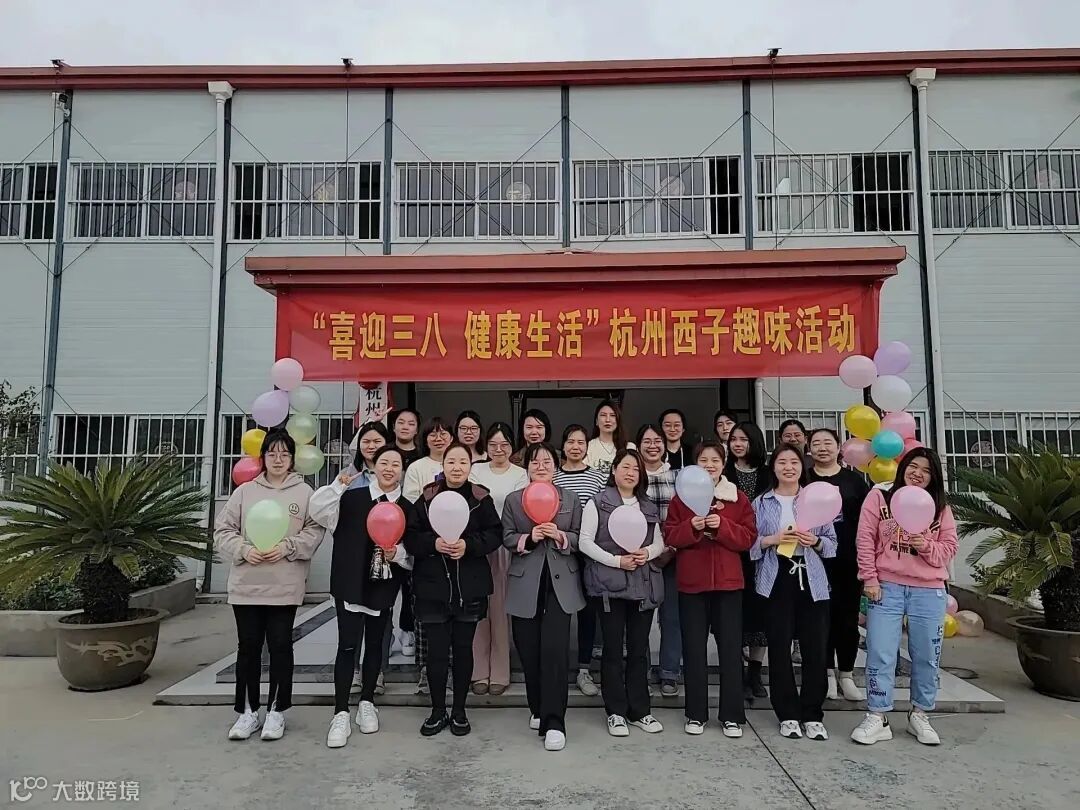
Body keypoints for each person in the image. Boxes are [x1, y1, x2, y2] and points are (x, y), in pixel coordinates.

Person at [214, 429, 322, 742]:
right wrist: (243, 549)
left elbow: (315, 531)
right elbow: (223, 530)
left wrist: (289, 546)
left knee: (280, 646)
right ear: (262, 457)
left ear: (292, 459)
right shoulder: (245, 492)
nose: (278, 459)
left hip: (284, 585)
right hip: (247, 584)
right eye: (272, 453)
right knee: (248, 648)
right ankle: (247, 711)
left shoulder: (305, 493)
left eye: (284, 454)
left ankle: (277, 711)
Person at [851, 448, 958, 747]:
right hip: (887, 587)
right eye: (913, 466)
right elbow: (865, 538)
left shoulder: (940, 507)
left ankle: (919, 714)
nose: (918, 474)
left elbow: (949, 548)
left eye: (926, 470)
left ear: (934, 476)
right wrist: (870, 578)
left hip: (929, 590)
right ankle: (877, 715)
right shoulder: (880, 497)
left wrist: (925, 545)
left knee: (926, 655)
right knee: (880, 652)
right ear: (902, 467)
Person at [310, 446, 413, 748]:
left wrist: (398, 554)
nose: (389, 468)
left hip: (383, 584)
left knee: (376, 645)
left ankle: (367, 701)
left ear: (403, 470)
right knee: (347, 645)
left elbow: (413, 552)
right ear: (373, 466)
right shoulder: (350, 498)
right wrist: (337, 485)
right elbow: (317, 511)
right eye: (384, 462)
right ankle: (341, 711)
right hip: (350, 582)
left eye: (396, 464)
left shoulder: (407, 507)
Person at [404, 442, 502, 737]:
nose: (457, 467)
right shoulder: (427, 498)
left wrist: (469, 546)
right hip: (433, 587)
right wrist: (433, 543)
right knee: (436, 653)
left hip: (469, 587)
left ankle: (459, 710)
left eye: (463, 462)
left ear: (471, 466)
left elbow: (494, 534)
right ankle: (437, 711)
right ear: (443, 466)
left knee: (463, 650)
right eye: (451, 462)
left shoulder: (480, 498)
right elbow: (411, 536)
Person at [664, 439, 756, 737]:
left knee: (730, 650)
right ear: (695, 465)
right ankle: (695, 714)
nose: (710, 465)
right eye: (703, 460)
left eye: (715, 460)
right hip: (692, 584)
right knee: (693, 650)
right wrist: (693, 527)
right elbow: (671, 536)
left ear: (724, 464)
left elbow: (748, 538)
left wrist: (722, 527)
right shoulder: (680, 500)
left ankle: (732, 715)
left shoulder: (737, 498)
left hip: (729, 584)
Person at [503, 442, 586, 752]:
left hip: (560, 581)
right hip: (526, 581)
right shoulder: (513, 500)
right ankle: (537, 706)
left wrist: (560, 536)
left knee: (554, 651)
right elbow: (507, 537)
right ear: (527, 467)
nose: (541, 466)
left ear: (556, 466)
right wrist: (529, 538)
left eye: (547, 461)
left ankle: (555, 722)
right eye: (535, 462)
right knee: (528, 649)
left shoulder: (570, 498)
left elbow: (580, 536)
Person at [751, 443, 837, 741]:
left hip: (811, 578)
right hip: (776, 577)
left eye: (794, 462)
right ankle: (787, 713)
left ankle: (812, 713)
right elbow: (750, 546)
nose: (788, 467)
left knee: (816, 648)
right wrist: (772, 539)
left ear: (803, 467)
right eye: (782, 462)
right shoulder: (761, 503)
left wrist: (815, 541)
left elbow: (832, 545)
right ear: (773, 467)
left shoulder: (816, 499)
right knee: (779, 648)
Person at [579, 449, 666, 737]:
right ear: (614, 470)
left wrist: (647, 553)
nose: (630, 473)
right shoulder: (598, 502)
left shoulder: (647, 506)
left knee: (639, 650)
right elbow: (585, 542)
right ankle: (615, 711)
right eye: (625, 467)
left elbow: (659, 542)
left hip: (643, 584)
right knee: (613, 650)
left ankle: (640, 710)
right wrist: (617, 561)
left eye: (636, 469)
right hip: (610, 586)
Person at [807, 427, 870, 702]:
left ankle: (846, 673)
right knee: (818, 619)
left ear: (839, 447)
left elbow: (867, 523)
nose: (822, 448)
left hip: (847, 560)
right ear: (809, 449)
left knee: (847, 619)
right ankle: (826, 674)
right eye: (816, 443)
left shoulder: (854, 482)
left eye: (827, 443)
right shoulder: (803, 478)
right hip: (812, 560)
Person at [468, 423, 528, 696]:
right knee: (478, 609)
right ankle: (478, 670)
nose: (498, 449)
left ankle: (501, 672)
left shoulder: (520, 474)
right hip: (478, 545)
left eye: (504, 444)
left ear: (512, 446)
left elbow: (519, 510)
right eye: (493, 444)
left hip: (505, 546)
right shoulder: (476, 470)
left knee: (501, 611)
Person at [553, 424, 607, 697]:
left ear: (587, 446)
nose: (575, 447)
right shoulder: (552, 477)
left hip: (588, 553)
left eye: (581, 442)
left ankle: (584, 669)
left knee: (588, 612)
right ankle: (556, 669)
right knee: (558, 612)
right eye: (571, 441)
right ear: (563, 445)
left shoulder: (598, 477)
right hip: (558, 553)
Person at [402, 416, 454, 693]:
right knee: (426, 614)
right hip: (428, 548)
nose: (438, 438)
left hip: (457, 550)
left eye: (444, 433)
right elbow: (413, 506)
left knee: (455, 614)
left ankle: (453, 670)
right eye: (433, 434)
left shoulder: (460, 463)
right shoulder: (417, 467)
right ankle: (425, 670)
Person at [724, 421, 771, 699]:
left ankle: (755, 671)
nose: (738, 444)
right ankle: (737, 670)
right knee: (734, 613)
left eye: (743, 439)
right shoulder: (724, 473)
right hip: (733, 551)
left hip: (764, 552)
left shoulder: (768, 474)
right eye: (734, 439)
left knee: (760, 613)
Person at [636, 423, 681, 697]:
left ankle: (669, 672)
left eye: (657, 441)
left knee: (671, 617)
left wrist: (670, 548)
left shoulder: (678, 477)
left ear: (665, 446)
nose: (652, 446)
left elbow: (686, 514)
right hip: (639, 557)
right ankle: (639, 671)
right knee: (639, 618)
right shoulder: (632, 475)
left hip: (672, 555)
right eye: (647, 441)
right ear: (638, 445)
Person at [586, 399, 635, 475]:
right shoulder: (588, 446)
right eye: (603, 415)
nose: (608, 420)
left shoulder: (630, 447)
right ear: (596, 421)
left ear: (618, 420)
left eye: (612, 415)